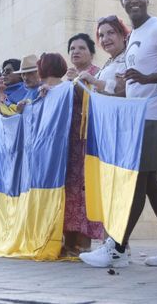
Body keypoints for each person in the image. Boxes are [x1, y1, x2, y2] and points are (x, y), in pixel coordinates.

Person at [80, 0, 157, 268]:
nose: (134, 0)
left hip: (154, 115)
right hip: (138, 118)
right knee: (150, 183)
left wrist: (147, 79)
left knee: (138, 183)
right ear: (123, 4)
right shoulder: (137, 36)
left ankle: (116, 247)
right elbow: (128, 84)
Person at [42, 51, 104, 257]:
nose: (76, 52)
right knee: (70, 194)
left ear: (91, 52)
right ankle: (69, 242)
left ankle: (83, 243)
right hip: (69, 143)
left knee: (85, 193)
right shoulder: (69, 76)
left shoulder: (97, 73)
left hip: (89, 141)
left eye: (81, 48)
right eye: (72, 49)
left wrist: (74, 83)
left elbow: (92, 98)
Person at [78, 15, 129, 97]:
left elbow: (122, 90)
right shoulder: (110, 62)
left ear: (122, 34)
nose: (105, 39)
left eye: (111, 33)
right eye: (101, 35)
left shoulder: (129, 59)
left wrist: (94, 81)